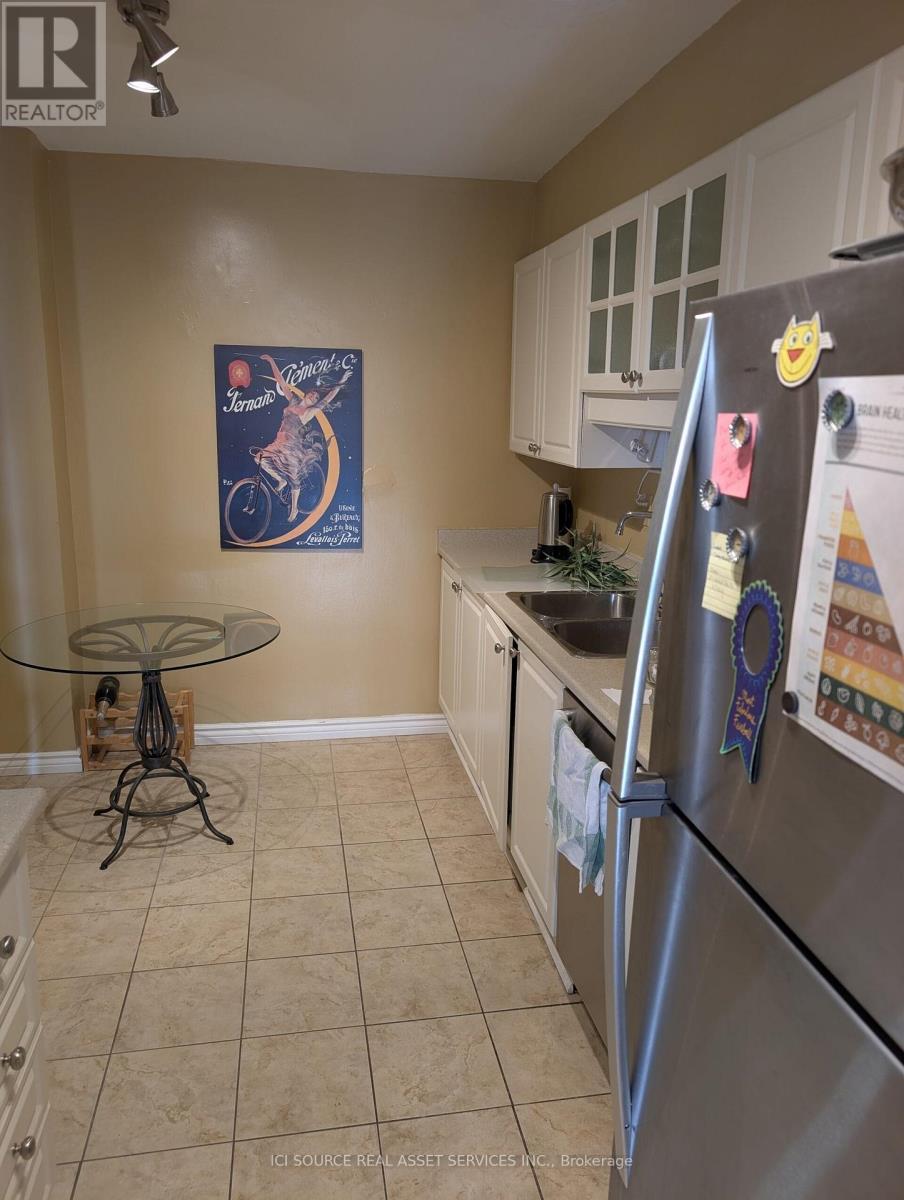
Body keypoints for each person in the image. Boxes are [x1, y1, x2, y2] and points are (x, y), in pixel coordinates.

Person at [256, 355, 352, 521]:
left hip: (291, 446)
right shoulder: (293, 401)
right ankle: (280, 480)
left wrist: (341, 381)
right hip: (278, 442)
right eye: (312, 394)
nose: (313, 396)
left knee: (294, 479)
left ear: (314, 403)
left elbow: (328, 398)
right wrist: (271, 361)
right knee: (259, 458)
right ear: (307, 393)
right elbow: (281, 382)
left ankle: (294, 509)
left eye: (315, 398)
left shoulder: (309, 412)